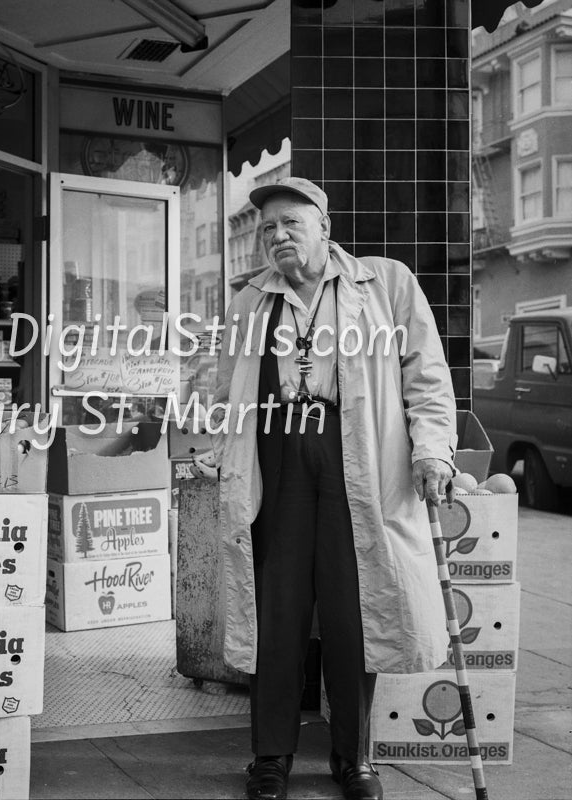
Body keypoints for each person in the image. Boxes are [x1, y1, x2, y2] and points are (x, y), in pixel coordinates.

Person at [191, 177, 457, 800]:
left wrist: (432, 450)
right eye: (267, 230)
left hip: (357, 457)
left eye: (291, 224)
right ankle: (270, 757)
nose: (277, 237)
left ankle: (352, 756)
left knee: (354, 609)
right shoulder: (250, 301)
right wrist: (216, 446)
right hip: (278, 454)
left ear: (324, 227)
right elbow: (226, 383)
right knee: (275, 611)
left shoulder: (386, 284)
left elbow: (427, 373)